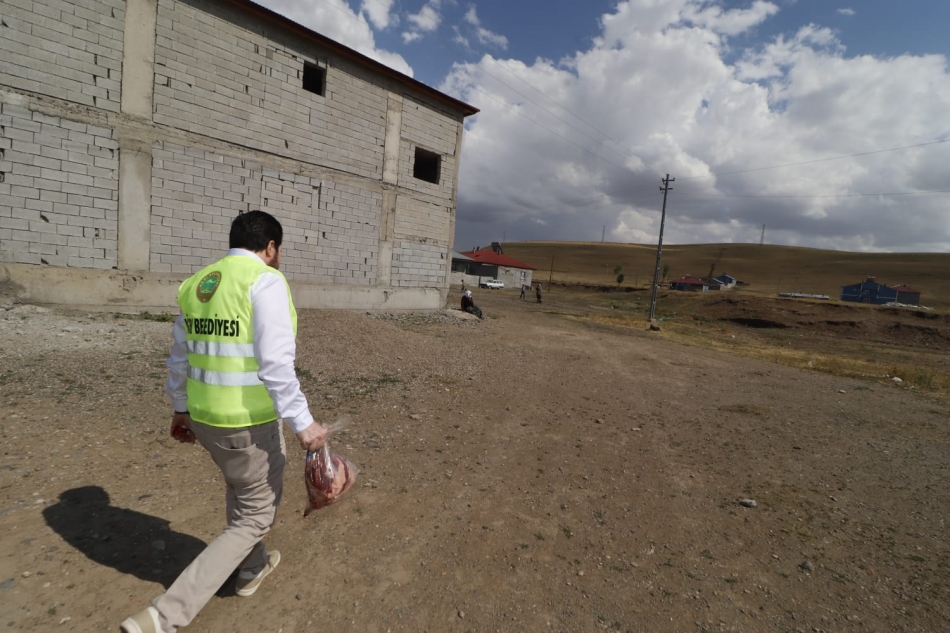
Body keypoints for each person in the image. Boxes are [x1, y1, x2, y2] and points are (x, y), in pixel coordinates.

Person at [120, 211, 328, 633]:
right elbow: (275, 363)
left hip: (205, 420)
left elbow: (180, 357)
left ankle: (252, 568)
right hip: (247, 424)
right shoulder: (265, 281)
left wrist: (181, 407)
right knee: (256, 515)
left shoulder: (198, 284)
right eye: (279, 249)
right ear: (271, 247)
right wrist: (303, 423)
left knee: (242, 488)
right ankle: (164, 616)